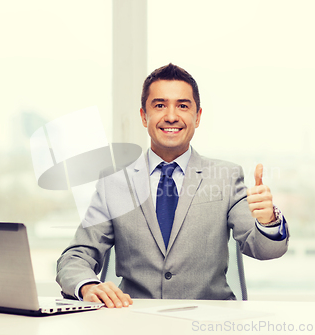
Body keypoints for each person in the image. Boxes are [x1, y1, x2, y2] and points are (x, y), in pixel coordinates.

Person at [56, 63, 289, 308]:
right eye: (159, 105)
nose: (171, 116)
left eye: (182, 106)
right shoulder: (115, 182)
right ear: (144, 116)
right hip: (135, 321)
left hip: (210, 323)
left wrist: (268, 222)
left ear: (197, 117)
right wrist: (87, 286)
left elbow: (265, 250)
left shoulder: (226, 176)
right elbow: (75, 257)